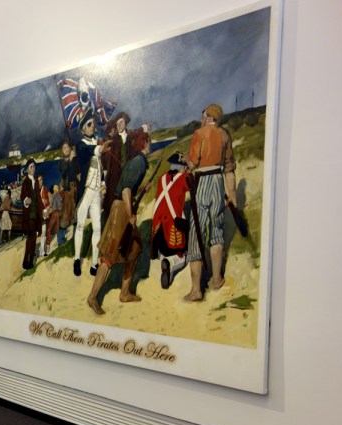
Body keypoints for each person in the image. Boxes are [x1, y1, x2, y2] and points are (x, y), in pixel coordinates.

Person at [86, 132, 151, 315]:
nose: (151, 144)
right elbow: (125, 191)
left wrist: (142, 189)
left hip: (123, 207)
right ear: (144, 143)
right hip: (121, 211)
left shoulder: (138, 161)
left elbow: (128, 187)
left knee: (133, 250)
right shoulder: (138, 162)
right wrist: (130, 215)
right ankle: (92, 296)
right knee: (109, 255)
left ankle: (124, 293)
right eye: (149, 141)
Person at [184, 103, 235, 301]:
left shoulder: (199, 133)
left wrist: (186, 161)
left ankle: (196, 290)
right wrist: (232, 194)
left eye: (203, 115)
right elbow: (229, 167)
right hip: (218, 183)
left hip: (202, 183)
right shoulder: (224, 135)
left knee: (196, 233)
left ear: (207, 115)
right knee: (216, 230)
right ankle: (216, 279)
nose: (201, 118)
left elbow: (193, 163)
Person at [73, 111, 111, 277]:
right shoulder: (81, 145)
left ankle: (94, 263)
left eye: (93, 123)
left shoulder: (96, 142)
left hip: (96, 192)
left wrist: (103, 183)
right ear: (82, 129)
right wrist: (99, 148)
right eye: (89, 124)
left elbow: (101, 167)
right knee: (80, 225)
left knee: (97, 228)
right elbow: (88, 150)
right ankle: (76, 259)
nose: (93, 126)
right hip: (85, 192)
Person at [151, 152, 192, 289]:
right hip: (173, 229)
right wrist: (190, 171)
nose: (185, 168)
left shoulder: (161, 179)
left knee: (165, 250)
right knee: (183, 256)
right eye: (184, 166)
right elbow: (194, 187)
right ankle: (170, 263)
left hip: (158, 231)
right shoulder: (184, 177)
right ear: (181, 166)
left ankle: (164, 259)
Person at [101, 112, 138, 223]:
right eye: (117, 124)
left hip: (128, 174)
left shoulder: (131, 137)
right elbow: (106, 160)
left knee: (128, 200)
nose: (119, 125)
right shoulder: (114, 140)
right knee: (114, 202)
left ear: (125, 123)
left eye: (121, 122)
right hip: (115, 176)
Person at [20, 159, 42, 269]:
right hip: (29, 215)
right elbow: (22, 196)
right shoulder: (25, 182)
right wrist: (25, 201)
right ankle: (27, 261)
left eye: (34, 166)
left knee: (32, 238)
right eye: (31, 167)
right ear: (27, 169)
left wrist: (43, 210)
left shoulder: (36, 181)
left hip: (35, 214)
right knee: (31, 237)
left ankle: (27, 261)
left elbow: (38, 197)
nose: (33, 169)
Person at [57, 141, 79, 247]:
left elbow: (78, 171)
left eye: (68, 147)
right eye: (64, 147)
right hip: (67, 192)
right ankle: (61, 241)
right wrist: (70, 160)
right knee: (65, 216)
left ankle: (76, 237)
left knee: (77, 214)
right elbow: (64, 171)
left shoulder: (74, 160)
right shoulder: (61, 163)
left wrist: (74, 159)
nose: (66, 149)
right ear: (62, 151)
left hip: (75, 189)